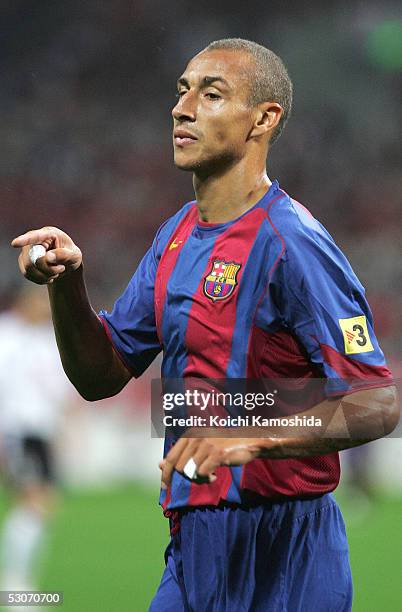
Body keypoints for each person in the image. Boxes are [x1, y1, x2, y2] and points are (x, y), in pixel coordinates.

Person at [11, 38, 399, 611]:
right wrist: (69, 285)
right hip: (194, 545)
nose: (182, 107)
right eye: (181, 91)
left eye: (211, 94)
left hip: (285, 552)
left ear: (263, 119)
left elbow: (378, 403)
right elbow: (103, 375)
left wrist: (250, 434)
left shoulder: (294, 242)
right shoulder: (174, 236)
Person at [0, 285, 70, 595]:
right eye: (41, 300)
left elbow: (58, 391)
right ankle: (15, 583)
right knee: (33, 502)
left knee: (43, 504)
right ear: (25, 300)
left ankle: (19, 580)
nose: (46, 307)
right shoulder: (7, 336)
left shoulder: (45, 340)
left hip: (41, 432)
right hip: (17, 430)